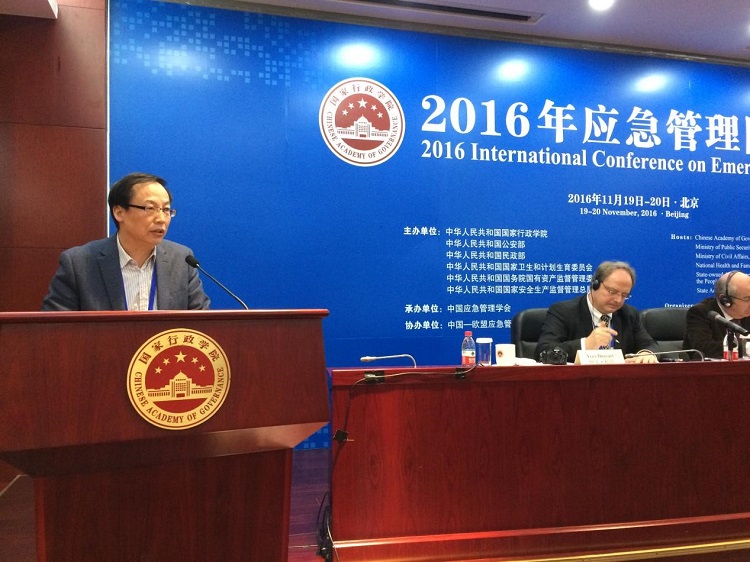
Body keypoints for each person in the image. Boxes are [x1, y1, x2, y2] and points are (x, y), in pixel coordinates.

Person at [42, 172, 210, 311]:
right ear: (119, 212)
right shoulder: (79, 264)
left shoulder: (182, 260)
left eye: (166, 210)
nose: (161, 219)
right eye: (150, 208)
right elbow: (56, 330)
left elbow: (201, 324)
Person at [535, 261, 659, 363]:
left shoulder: (629, 314)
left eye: (624, 295)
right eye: (612, 291)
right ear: (595, 284)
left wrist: (646, 353)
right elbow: (543, 351)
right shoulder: (563, 311)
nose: (618, 300)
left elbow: (650, 344)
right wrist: (586, 344)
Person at [683, 270, 750, 359]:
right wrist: (746, 347)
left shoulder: (746, 314)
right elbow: (703, 348)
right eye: (747, 299)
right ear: (725, 300)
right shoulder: (701, 312)